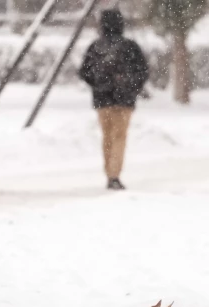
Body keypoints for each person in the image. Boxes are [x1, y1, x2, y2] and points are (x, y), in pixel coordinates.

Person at [79, 9, 149, 190]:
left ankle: (109, 171)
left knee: (107, 136)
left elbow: (84, 72)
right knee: (120, 136)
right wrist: (132, 87)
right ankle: (114, 174)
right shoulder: (130, 46)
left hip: (102, 99)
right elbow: (142, 71)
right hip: (124, 100)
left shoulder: (95, 47)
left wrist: (99, 85)